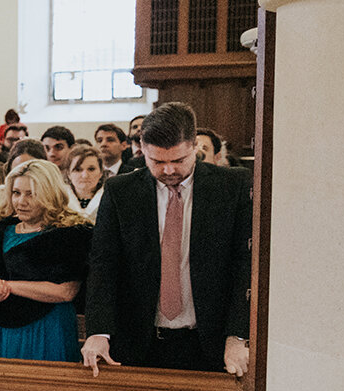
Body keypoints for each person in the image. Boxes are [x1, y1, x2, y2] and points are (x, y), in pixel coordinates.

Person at [83, 100, 252, 375]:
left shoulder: (232, 186)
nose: (169, 170)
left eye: (178, 160)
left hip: (211, 341)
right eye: (157, 162)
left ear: (194, 147)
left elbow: (244, 264)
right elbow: (104, 265)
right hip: (139, 339)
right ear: (142, 152)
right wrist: (99, 332)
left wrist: (237, 336)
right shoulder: (121, 192)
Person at [0, 159, 91, 363]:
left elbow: (65, 292)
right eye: (16, 193)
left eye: (30, 194)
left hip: (45, 327)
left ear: (49, 193)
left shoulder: (71, 234)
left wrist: (7, 286)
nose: (20, 202)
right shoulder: (1, 230)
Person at [66, 142, 106, 219]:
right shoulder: (60, 199)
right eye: (78, 170)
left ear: (101, 172)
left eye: (91, 169)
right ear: (68, 174)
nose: (85, 175)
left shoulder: (110, 198)